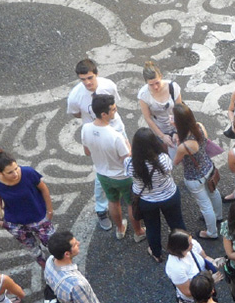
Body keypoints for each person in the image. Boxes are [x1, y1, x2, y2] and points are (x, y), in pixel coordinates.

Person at [67, 58, 125, 231]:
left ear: (96, 74)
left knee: (124, 160)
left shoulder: (109, 85)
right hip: (96, 134)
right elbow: (76, 114)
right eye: (83, 79)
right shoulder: (75, 96)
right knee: (102, 170)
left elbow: (115, 105)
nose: (87, 83)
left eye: (90, 78)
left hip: (116, 129)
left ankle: (123, 190)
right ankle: (101, 209)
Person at [81, 94, 144, 241]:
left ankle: (120, 229)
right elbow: (127, 159)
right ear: (104, 114)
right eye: (113, 110)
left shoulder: (85, 129)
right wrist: (129, 148)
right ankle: (138, 231)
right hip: (123, 177)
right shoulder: (115, 136)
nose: (115, 112)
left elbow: (87, 152)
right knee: (131, 203)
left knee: (113, 201)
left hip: (103, 175)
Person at [127, 128, 187, 262]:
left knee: (152, 227)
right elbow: (169, 170)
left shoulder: (130, 164)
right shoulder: (163, 159)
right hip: (169, 196)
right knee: (177, 223)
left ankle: (156, 253)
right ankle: (184, 247)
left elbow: (129, 174)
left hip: (147, 200)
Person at [0, 149, 55, 265]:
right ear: (0, 172)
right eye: (10, 172)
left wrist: (50, 211)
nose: (16, 174)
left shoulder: (28, 173)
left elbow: (43, 188)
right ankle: (46, 269)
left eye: (16, 168)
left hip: (39, 218)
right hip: (15, 223)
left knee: (53, 246)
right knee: (34, 251)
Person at [173, 103, 222, 239]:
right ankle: (219, 216)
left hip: (194, 178)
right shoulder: (200, 127)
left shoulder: (184, 146)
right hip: (208, 167)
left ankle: (211, 232)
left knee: (205, 205)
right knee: (214, 192)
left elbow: (176, 162)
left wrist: (176, 142)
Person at [138, 62, 182, 156]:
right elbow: (148, 118)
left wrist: (177, 131)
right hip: (160, 128)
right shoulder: (144, 95)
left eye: (157, 82)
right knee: (165, 155)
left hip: (177, 125)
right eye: (151, 85)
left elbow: (179, 111)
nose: (155, 87)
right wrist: (162, 136)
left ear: (161, 76)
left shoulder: (173, 87)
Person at [164, 230, 218, 303]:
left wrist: (214, 262)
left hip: (207, 291)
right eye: (189, 243)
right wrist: (211, 281)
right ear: (181, 247)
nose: (192, 243)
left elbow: (205, 257)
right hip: (195, 301)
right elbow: (188, 292)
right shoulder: (175, 268)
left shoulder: (193, 245)